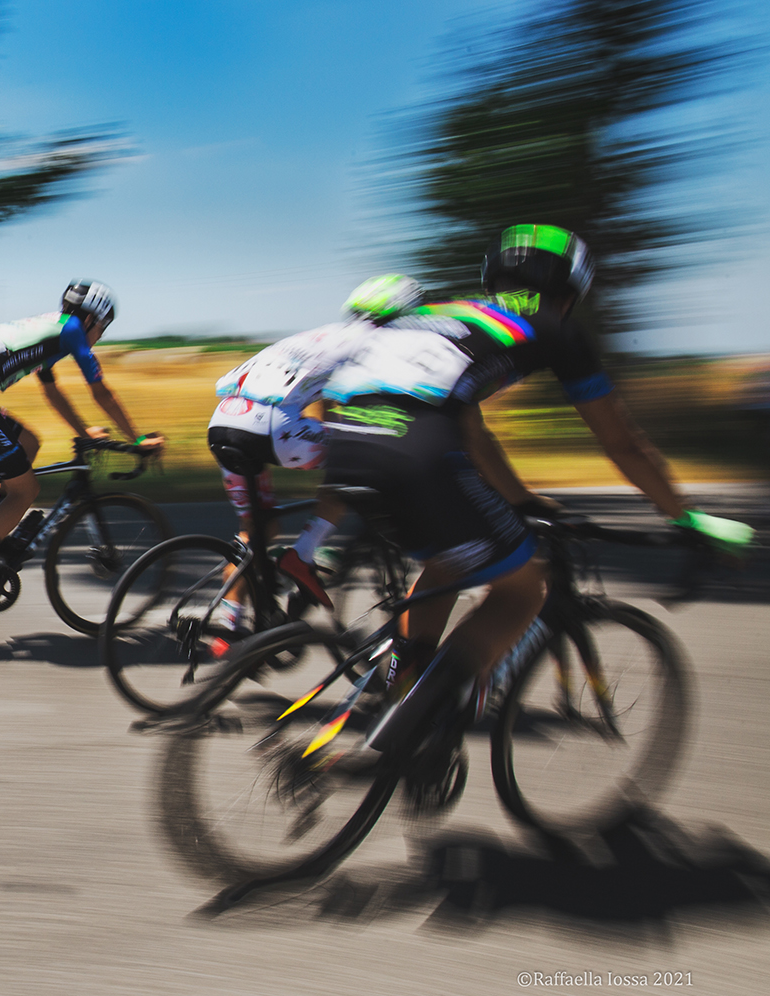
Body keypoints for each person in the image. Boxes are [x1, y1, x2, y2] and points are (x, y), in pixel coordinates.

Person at [316, 224, 752, 764]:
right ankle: (413, 723)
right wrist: (683, 517)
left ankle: (401, 685)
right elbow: (623, 443)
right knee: (521, 591)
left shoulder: (449, 315)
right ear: (569, 290)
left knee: (451, 558)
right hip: (417, 452)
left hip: (345, 444)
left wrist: (520, 500)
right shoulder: (554, 326)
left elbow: (472, 434)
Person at [206, 274, 425, 621]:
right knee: (356, 461)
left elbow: (322, 398)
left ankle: (227, 621)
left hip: (224, 422)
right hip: (271, 427)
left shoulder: (319, 335)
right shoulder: (376, 343)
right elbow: (352, 407)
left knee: (258, 529)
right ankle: (305, 554)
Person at [0, 280, 164, 590]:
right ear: (91, 318)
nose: (100, 336)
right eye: (103, 328)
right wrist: (136, 439)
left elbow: (52, 393)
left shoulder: (51, 329)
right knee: (26, 491)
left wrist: (84, 433)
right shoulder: (72, 331)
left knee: (29, 442)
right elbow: (101, 392)